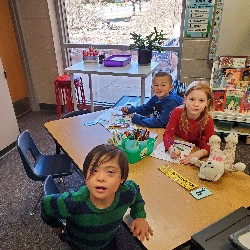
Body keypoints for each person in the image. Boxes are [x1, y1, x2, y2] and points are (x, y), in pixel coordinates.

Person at [41, 144, 153, 250]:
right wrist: (56, 225)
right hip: (79, 245)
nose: (100, 177)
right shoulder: (74, 202)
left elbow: (136, 193)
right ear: (85, 176)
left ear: (122, 178)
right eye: (94, 170)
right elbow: (47, 204)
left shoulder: (127, 192)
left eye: (110, 172)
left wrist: (139, 216)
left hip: (108, 241)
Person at [163, 81, 215, 164]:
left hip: (195, 150)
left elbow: (212, 145)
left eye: (201, 100)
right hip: (178, 146)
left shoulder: (208, 120)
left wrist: (198, 154)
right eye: (192, 99)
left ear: (207, 103)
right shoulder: (177, 112)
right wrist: (170, 148)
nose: (196, 104)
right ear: (185, 99)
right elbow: (168, 134)